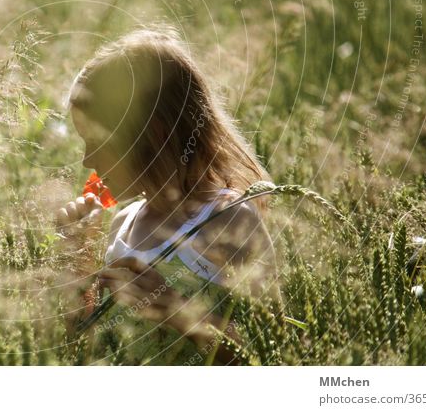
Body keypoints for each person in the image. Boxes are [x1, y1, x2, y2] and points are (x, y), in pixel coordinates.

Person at [54, 26, 279, 365]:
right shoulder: (122, 225)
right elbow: (87, 351)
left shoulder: (229, 220)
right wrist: (77, 269)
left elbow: (273, 353)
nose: (87, 161)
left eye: (98, 143)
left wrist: (175, 309)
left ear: (154, 135)